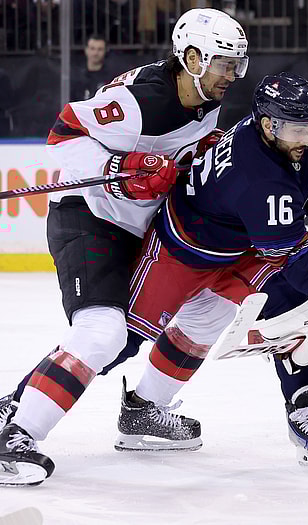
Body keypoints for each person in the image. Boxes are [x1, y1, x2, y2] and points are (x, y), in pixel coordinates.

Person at [0, 7, 248, 486]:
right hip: (88, 218)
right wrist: (123, 170)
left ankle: (130, 411)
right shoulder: (142, 101)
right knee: (102, 331)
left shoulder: (201, 93)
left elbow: (189, 141)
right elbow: (64, 132)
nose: (232, 75)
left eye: (237, 64)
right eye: (224, 63)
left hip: (139, 226)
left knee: (161, 323)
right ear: (192, 57)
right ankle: (17, 432)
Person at [117, 72, 308, 472]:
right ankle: (25, 405)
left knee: (289, 306)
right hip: (180, 249)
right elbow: (301, 266)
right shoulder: (257, 179)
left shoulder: (290, 142)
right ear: (268, 125)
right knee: (114, 339)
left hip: (239, 244)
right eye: (296, 129)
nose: (307, 138)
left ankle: (301, 410)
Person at [71, 34, 115, 102]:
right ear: (86, 49)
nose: (95, 53)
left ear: (106, 51)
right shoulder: (76, 76)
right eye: (92, 48)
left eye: (100, 49)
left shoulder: (111, 78)